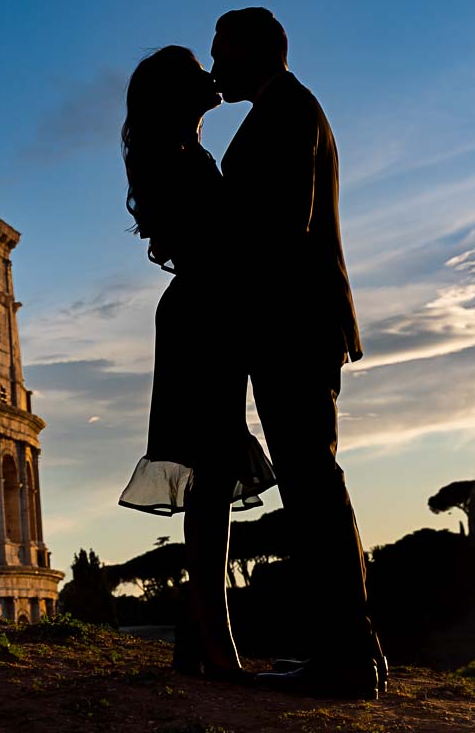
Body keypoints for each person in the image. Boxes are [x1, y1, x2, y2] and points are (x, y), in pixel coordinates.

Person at [210, 7, 385, 699]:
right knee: (315, 486)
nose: (214, 66)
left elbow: (282, 227)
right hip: (297, 321)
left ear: (257, 53)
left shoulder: (287, 113)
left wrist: (219, 263)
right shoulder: (289, 108)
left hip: (292, 324)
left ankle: (345, 658)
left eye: (222, 53)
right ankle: (354, 651)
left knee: (313, 489)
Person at [116, 45, 277, 684]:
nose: (212, 77)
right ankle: (215, 643)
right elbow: (221, 240)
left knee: (211, 478)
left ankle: (199, 638)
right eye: (197, 73)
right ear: (179, 96)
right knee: (210, 479)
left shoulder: (181, 156)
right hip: (203, 314)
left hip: (202, 311)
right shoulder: (180, 161)